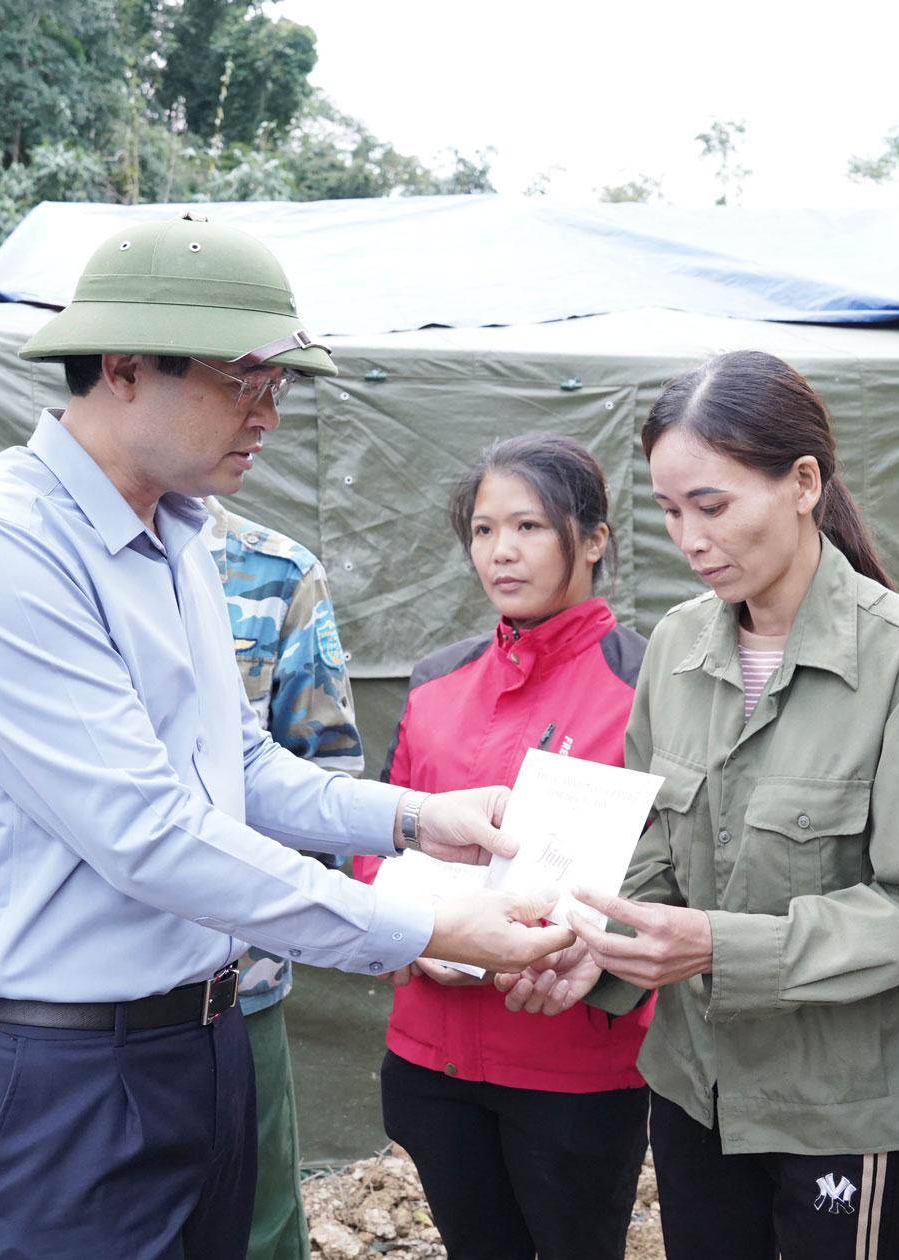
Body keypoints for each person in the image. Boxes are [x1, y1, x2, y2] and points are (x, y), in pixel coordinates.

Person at [0, 213, 574, 1260]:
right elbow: (148, 833)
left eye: (279, 388)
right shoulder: (2, 549)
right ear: (122, 368)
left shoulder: (175, 536)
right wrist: (433, 931)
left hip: (199, 1041)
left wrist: (411, 817)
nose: (267, 414)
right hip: (65, 1069)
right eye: (242, 382)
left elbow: (234, 762)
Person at [506, 351, 899, 1260]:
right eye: (672, 510)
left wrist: (720, 946)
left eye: (713, 506)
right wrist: (593, 945)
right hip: (697, 1087)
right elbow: (649, 848)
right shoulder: (677, 648)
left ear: (803, 483)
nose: (690, 540)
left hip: (845, 1104)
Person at [351, 434, 653, 1260]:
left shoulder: (651, 686)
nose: (501, 551)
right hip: (432, 1055)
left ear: (592, 538)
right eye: (483, 530)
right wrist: (418, 932)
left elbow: (679, 872)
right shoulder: (436, 683)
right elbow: (381, 840)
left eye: (529, 526)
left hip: (572, 1065)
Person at [202, 496, 363, 1260]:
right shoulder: (31, 548)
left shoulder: (274, 572)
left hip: (238, 985)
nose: (258, 413)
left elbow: (318, 770)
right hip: (82, 998)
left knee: (258, 1224)